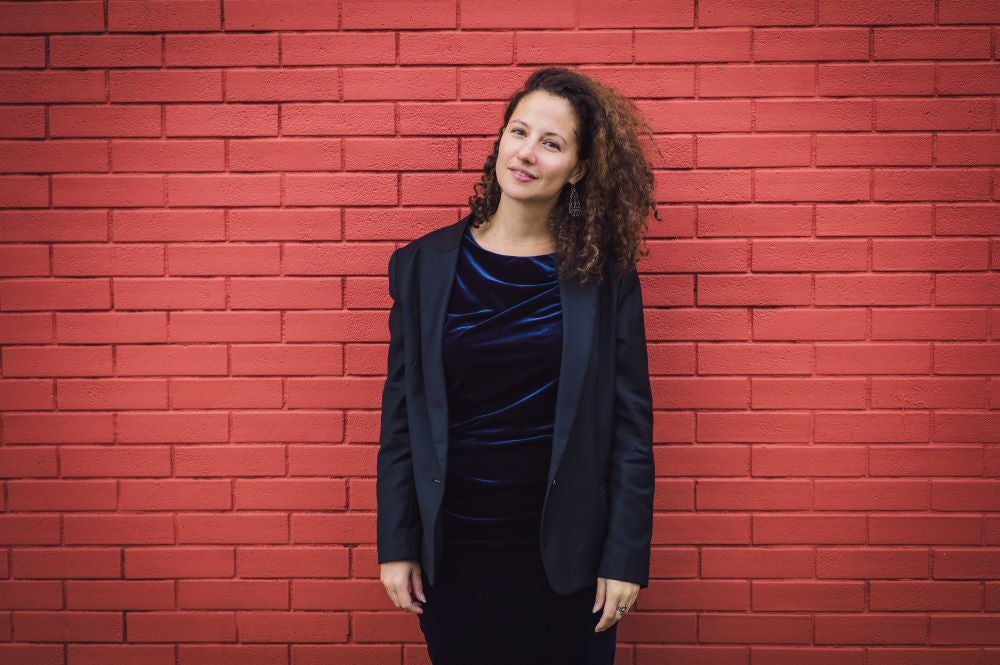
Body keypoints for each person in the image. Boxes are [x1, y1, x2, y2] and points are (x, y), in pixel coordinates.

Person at [376, 66, 660, 665]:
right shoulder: (421, 267)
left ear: (579, 168)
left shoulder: (605, 279)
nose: (526, 153)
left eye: (551, 143)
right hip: (453, 555)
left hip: (570, 561)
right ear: (499, 140)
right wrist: (396, 542)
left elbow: (631, 429)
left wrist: (625, 557)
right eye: (518, 132)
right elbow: (402, 417)